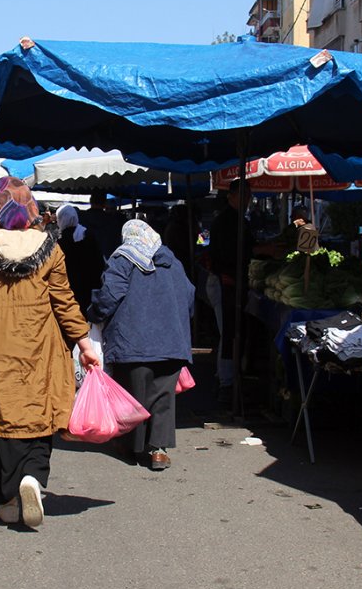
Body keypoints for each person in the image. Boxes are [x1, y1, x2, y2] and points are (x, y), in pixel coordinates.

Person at [0, 177, 100, 529]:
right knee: (38, 413)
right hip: (38, 346)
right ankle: (32, 478)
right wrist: (85, 344)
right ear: (30, 207)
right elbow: (64, 302)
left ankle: (7, 497)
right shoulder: (49, 248)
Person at [88, 220, 194, 470]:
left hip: (132, 342)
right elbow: (189, 295)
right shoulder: (173, 262)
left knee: (134, 395)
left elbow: (109, 296)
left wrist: (92, 314)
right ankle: (158, 451)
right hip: (171, 342)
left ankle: (131, 446)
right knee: (163, 396)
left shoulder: (123, 259)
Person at [207, 178, 253, 401]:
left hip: (231, 283)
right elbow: (232, 253)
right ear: (232, 196)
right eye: (244, 195)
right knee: (228, 332)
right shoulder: (226, 221)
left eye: (250, 195)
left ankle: (227, 377)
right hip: (224, 282)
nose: (248, 200)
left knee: (232, 331)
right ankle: (226, 382)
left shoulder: (238, 220)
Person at [55, 205, 104, 315]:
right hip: (89, 289)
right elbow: (99, 263)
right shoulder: (88, 235)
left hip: (67, 289)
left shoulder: (59, 240)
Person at [79, 191, 126, 261]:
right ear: (104, 203)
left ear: (90, 201)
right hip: (106, 262)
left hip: (84, 260)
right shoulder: (112, 221)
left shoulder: (81, 219)